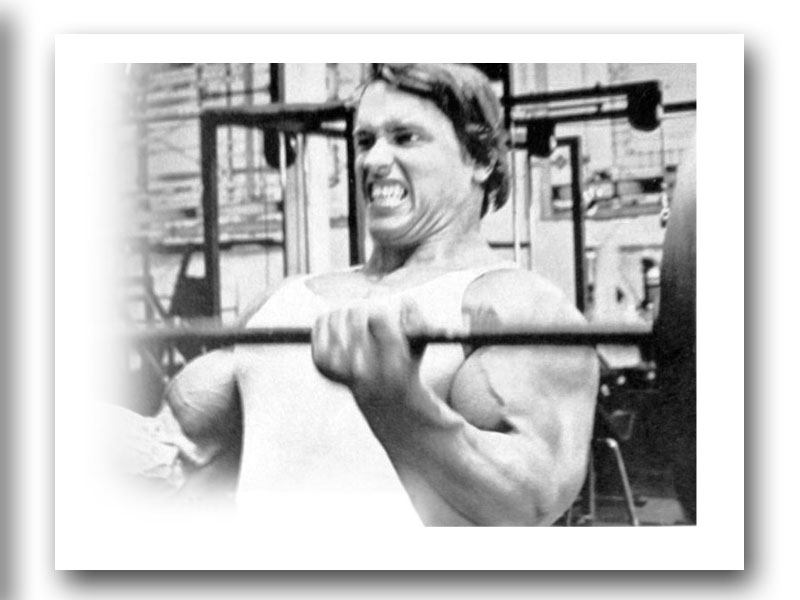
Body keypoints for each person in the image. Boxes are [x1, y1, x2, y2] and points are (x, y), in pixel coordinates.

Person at [159, 64, 599, 526]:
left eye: (405, 138)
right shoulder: (281, 297)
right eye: (365, 141)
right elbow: (182, 461)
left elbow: (532, 500)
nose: (372, 160)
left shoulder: (519, 304)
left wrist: (400, 408)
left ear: (481, 159)